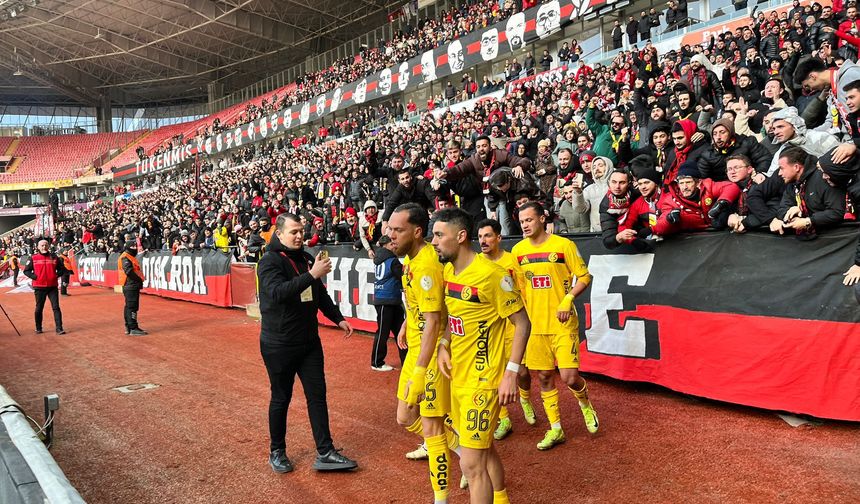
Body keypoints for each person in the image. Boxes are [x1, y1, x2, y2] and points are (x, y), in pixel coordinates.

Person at [431, 208, 531, 504]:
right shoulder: (449, 271)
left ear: (461, 236)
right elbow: (454, 319)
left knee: (471, 466)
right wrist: (443, 345)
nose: (433, 241)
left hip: (483, 381)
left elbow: (523, 322)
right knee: (484, 452)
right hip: (457, 378)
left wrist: (511, 373)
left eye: (439, 235)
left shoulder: (492, 275)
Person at [256, 213, 357, 474]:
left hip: (309, 342)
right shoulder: (268, 261)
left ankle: (325, 451)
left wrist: (337, 319)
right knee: (281, 398)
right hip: (279, 344)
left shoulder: (306, 258)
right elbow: (278, 294)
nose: (300, 235)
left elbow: (319, 294)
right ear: (279, 234)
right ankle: (276, 451)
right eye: (294, 232)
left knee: (317, 396)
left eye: (301, 231)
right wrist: (311, 274)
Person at [387, 202, 462, 502]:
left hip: (429, 355)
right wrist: (407, 321)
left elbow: (434, 321)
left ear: (417, 232)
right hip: (418, 346)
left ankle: (440, 498)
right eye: (390, 229)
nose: (390, 235)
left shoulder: (428, 265)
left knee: (432, 431)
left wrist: (420, 370)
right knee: (405, 417)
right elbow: (424, 306)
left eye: (397, 230)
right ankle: (460, 446)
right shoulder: (411, 259)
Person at [511, 203, 598, 451]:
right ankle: (556, 428)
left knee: (570, 377)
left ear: (542, 218)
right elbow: (519, 288)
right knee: (544, 376)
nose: (525, 225)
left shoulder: (563, 245)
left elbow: (584, 276)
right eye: (522, 221)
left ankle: (585, 404)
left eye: (529, 219)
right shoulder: (518, 251)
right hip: (535, 326)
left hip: (562, 322)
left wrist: (568, 298)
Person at [476, 218, 535, 441]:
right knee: (493, 374)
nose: (483, 241)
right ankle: (504, 418)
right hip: (489, 327)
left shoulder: (512, 261)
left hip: (512, 324)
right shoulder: (476, 263)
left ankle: (526, 398)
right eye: (480, 236)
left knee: (521, 371)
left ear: (499, 238)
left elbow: (523, 291)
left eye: (488, 236)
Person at [771, 148, 847, 239]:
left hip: (835, 236)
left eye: (781, 168)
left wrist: (809, 221)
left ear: (796, 167)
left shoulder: (823, 177)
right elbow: (782, 209)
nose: (779, 173)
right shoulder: (791, 183)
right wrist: (792, 214)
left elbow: (837, 212)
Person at [370, 235, 406, 371]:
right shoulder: (392, 261)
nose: (394, 246)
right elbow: (403, 278)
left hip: (385, 299)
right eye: (392, 244)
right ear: (386, 245)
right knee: (387, 332)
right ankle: (376, 362)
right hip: (388, 299)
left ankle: (405, 361)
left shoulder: (379, 260)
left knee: (397, 331)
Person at [22, 239, 66, 335]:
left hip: (52, 287)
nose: (44, 247)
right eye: (42, 245)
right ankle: (38, 328)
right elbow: (26, 271)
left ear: (48, 246)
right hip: (39, 287)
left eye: (46, 245)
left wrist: (55, 276)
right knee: (39, 308)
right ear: (38, 247)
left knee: (56, 307)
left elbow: (62, 269)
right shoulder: (33, 258)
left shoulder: (54, 257)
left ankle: (59, 328)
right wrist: (35, 277)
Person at [118, 241, 147, 336]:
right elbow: (129, 271)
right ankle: (133, 327)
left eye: (135, 245)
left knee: (129, 306)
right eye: (133, 246)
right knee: (132, 307)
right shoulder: (125, 257)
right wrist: (139, 279)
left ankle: (129, 327)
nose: (135, 248)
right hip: (130, 285)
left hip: (130, 284)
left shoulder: (129, 256)